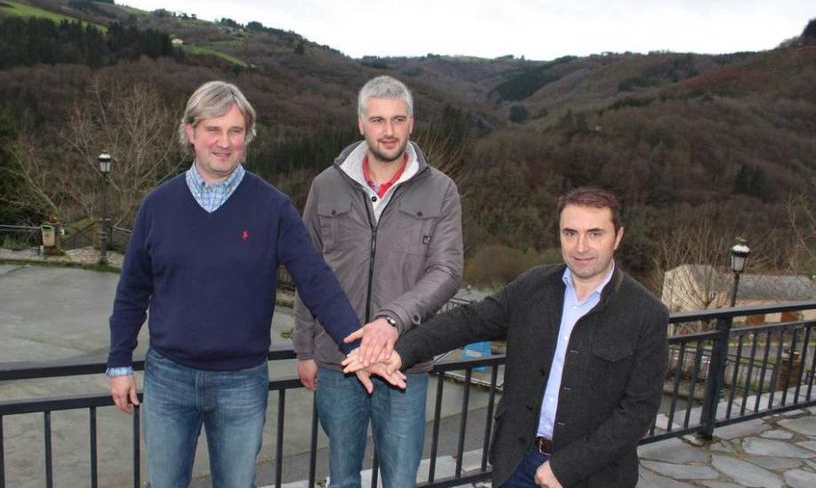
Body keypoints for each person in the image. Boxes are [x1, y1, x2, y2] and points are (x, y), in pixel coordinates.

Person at [105, 81, 391, 488]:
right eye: (213, 129)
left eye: (235, 131)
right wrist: (120, 362)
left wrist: (356, 345)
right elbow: (132, 291)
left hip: (241, 382)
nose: (224, 142)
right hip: (168, 378)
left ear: (247, 137)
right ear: (190, 133)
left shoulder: (271, 207)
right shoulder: (157, 206)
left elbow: (315, 279)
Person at [345, 187, 669, 488]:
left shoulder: (646, 314)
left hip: (596, 475)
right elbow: (469, 321)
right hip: (518, 462)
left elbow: (637, 412)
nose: (580, 247)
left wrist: (566, 467)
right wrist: (400, 352)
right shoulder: (533, 288)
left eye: (594, 234)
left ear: (618, 237)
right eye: (570, 233)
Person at [293, 75, 463, 487]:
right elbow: (307, 271)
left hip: (404, 361)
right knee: (343, 478)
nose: (388, 131)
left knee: (400, 479)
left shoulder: (441, 190)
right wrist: (304, 348)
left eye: (398, 120)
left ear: (412, 124)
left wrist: (392, 320)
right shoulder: (325, 186)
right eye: (378, 120)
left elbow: (447, 271)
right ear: (361, 124)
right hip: (339, 361)